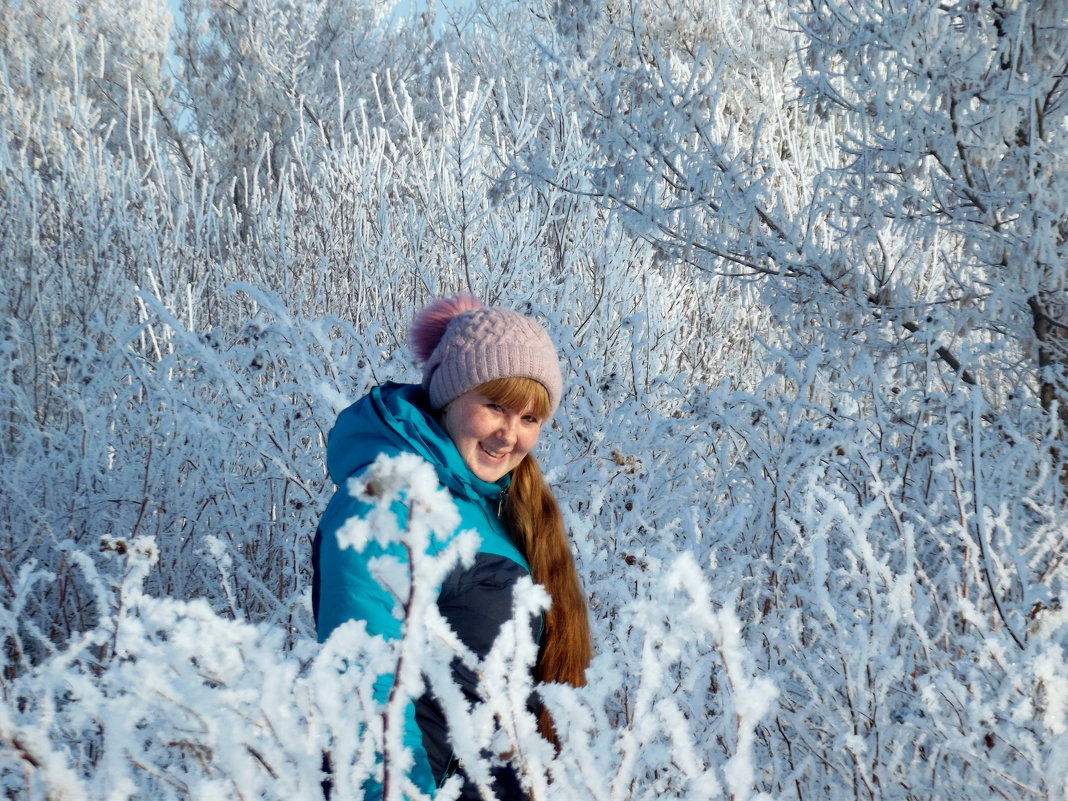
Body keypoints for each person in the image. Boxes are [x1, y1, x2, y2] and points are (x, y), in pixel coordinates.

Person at [312, 293, 592, 799]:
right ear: (447, 398)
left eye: (530, 418)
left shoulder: (499, 506)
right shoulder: (387, 501)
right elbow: (364, 688)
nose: (510, 435)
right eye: (496, 407)